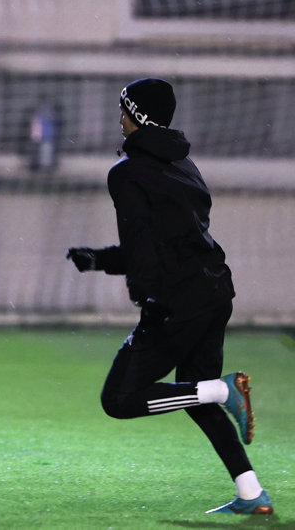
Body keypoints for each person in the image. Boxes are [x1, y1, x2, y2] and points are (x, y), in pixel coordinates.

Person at [66, 78, 272, 515]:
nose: (119, 119)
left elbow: (144, 248)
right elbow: (169, 244)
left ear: (138, 117)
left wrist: (148, 301)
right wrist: (99, 260)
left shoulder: (126, 173)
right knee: (194, 395)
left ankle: (225, 390)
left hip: (179, 303)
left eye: (124, 110)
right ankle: (253, 495)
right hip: (215, 293)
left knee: (119, 400)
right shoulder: (185, 166)